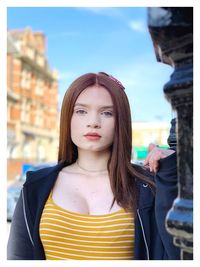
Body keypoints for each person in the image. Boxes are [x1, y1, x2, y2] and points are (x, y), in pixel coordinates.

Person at [7, 72, 180, 260]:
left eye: (107, 113)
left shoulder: (147, 186)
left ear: (120, 121)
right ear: (68, 118)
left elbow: (177, 252)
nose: (93, 122)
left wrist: (171, 168)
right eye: (81, 111)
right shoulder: (36, 187)